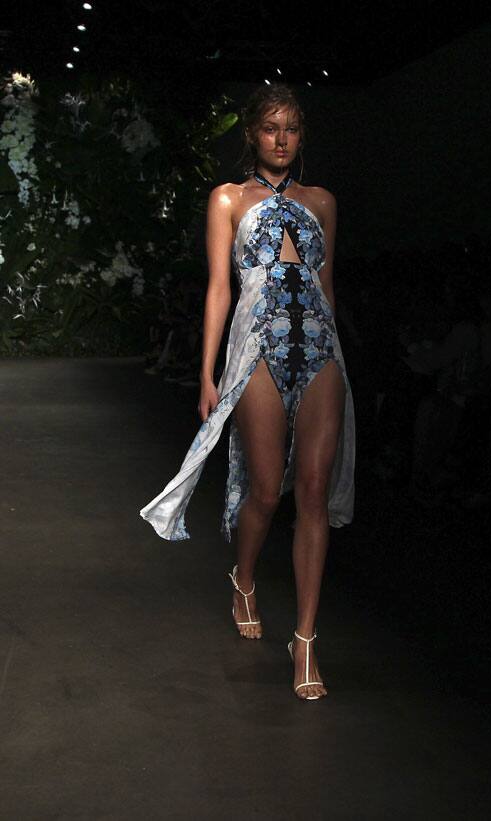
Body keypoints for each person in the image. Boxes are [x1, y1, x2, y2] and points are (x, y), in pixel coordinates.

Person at [139, 84, 356, 700]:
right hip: (257, 344)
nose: (281, 139)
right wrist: (207, 373)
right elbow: (219, 289)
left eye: (291, 128)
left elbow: (327, 286)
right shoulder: (228, 199)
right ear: (252, 135)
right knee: (265, 488)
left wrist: (337, 356)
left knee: (312, 491)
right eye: (270, 128)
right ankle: (244, 576)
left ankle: (306, 639)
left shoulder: (324, 201)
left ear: (300, 135)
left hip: (320, 350)